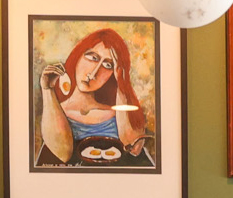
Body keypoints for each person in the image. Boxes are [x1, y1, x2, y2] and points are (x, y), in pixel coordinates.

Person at [35, 28, 153, 168]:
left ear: (113, 74)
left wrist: (121, 82)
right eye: (93, 58)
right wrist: (47, 89)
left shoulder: (120, 114)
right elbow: (62, 154)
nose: (94, 73)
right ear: (77, 56)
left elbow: (134, 151)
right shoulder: (55, 111)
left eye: (108, 65)